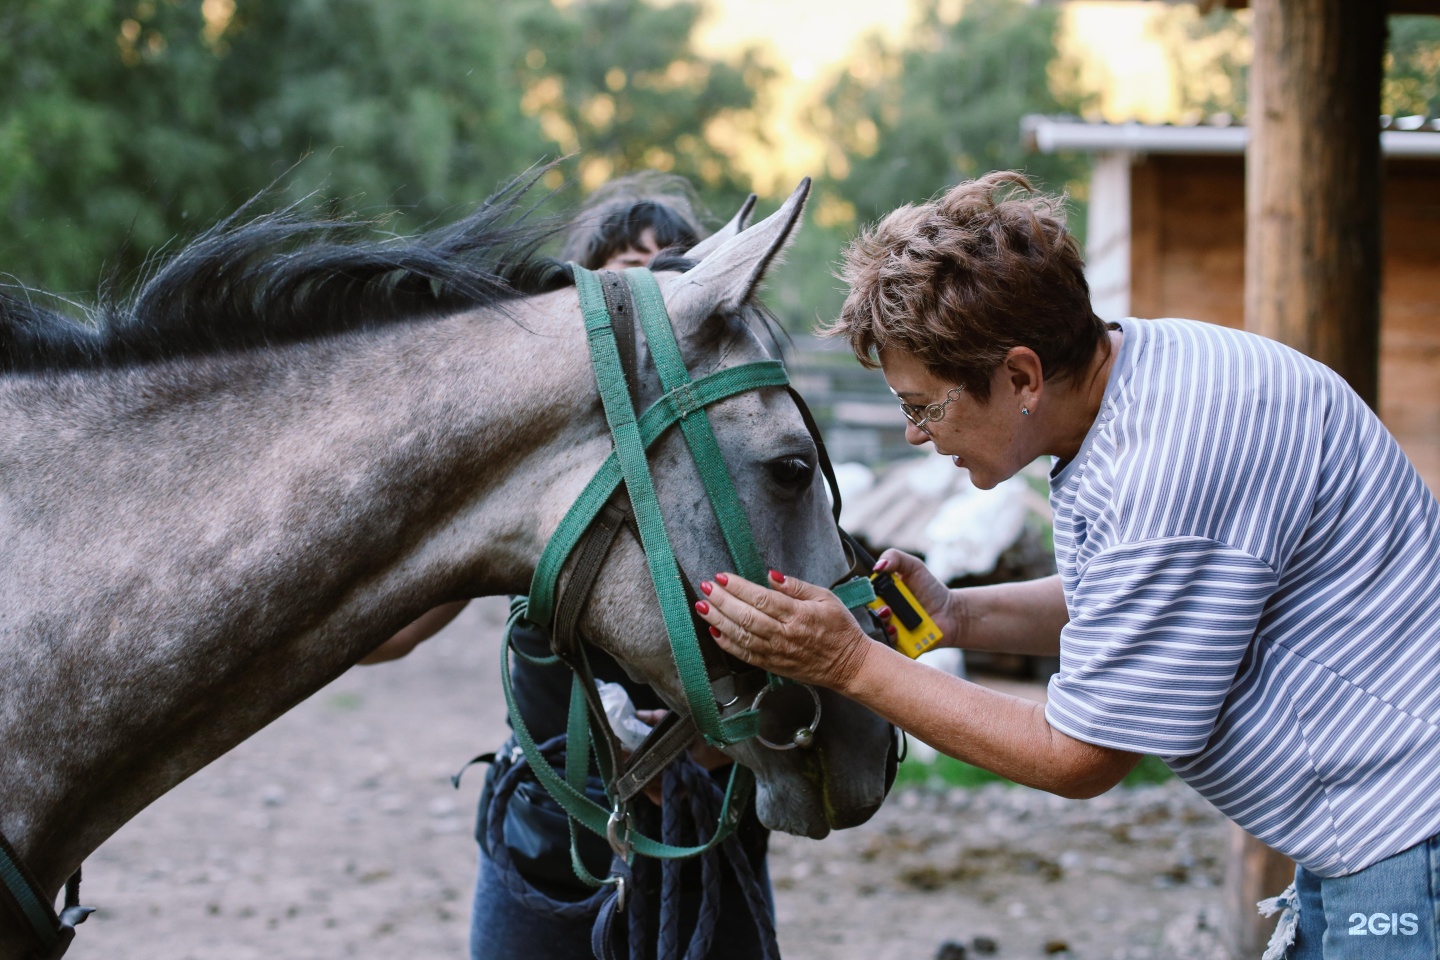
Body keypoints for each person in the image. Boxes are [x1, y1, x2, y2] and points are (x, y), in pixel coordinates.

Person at [693, 170, 1440, 958]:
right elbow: (1127, 602)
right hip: (1374, 825)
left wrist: (848, 664)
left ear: (1021, 376)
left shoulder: (1163, 468)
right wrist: (958, 616)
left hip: (1405, 832)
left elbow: (1077, 757)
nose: (914, 433)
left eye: (922, 405)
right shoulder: (1141, 378)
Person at [364, 173, 776, 960]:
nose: (650, 299)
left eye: (672, 274)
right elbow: (393, 633)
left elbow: (808, 649)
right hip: (548, 845)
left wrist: (720, 738)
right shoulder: (528, 476)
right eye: (627, 277)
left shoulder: (742, 480)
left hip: (706, 841)